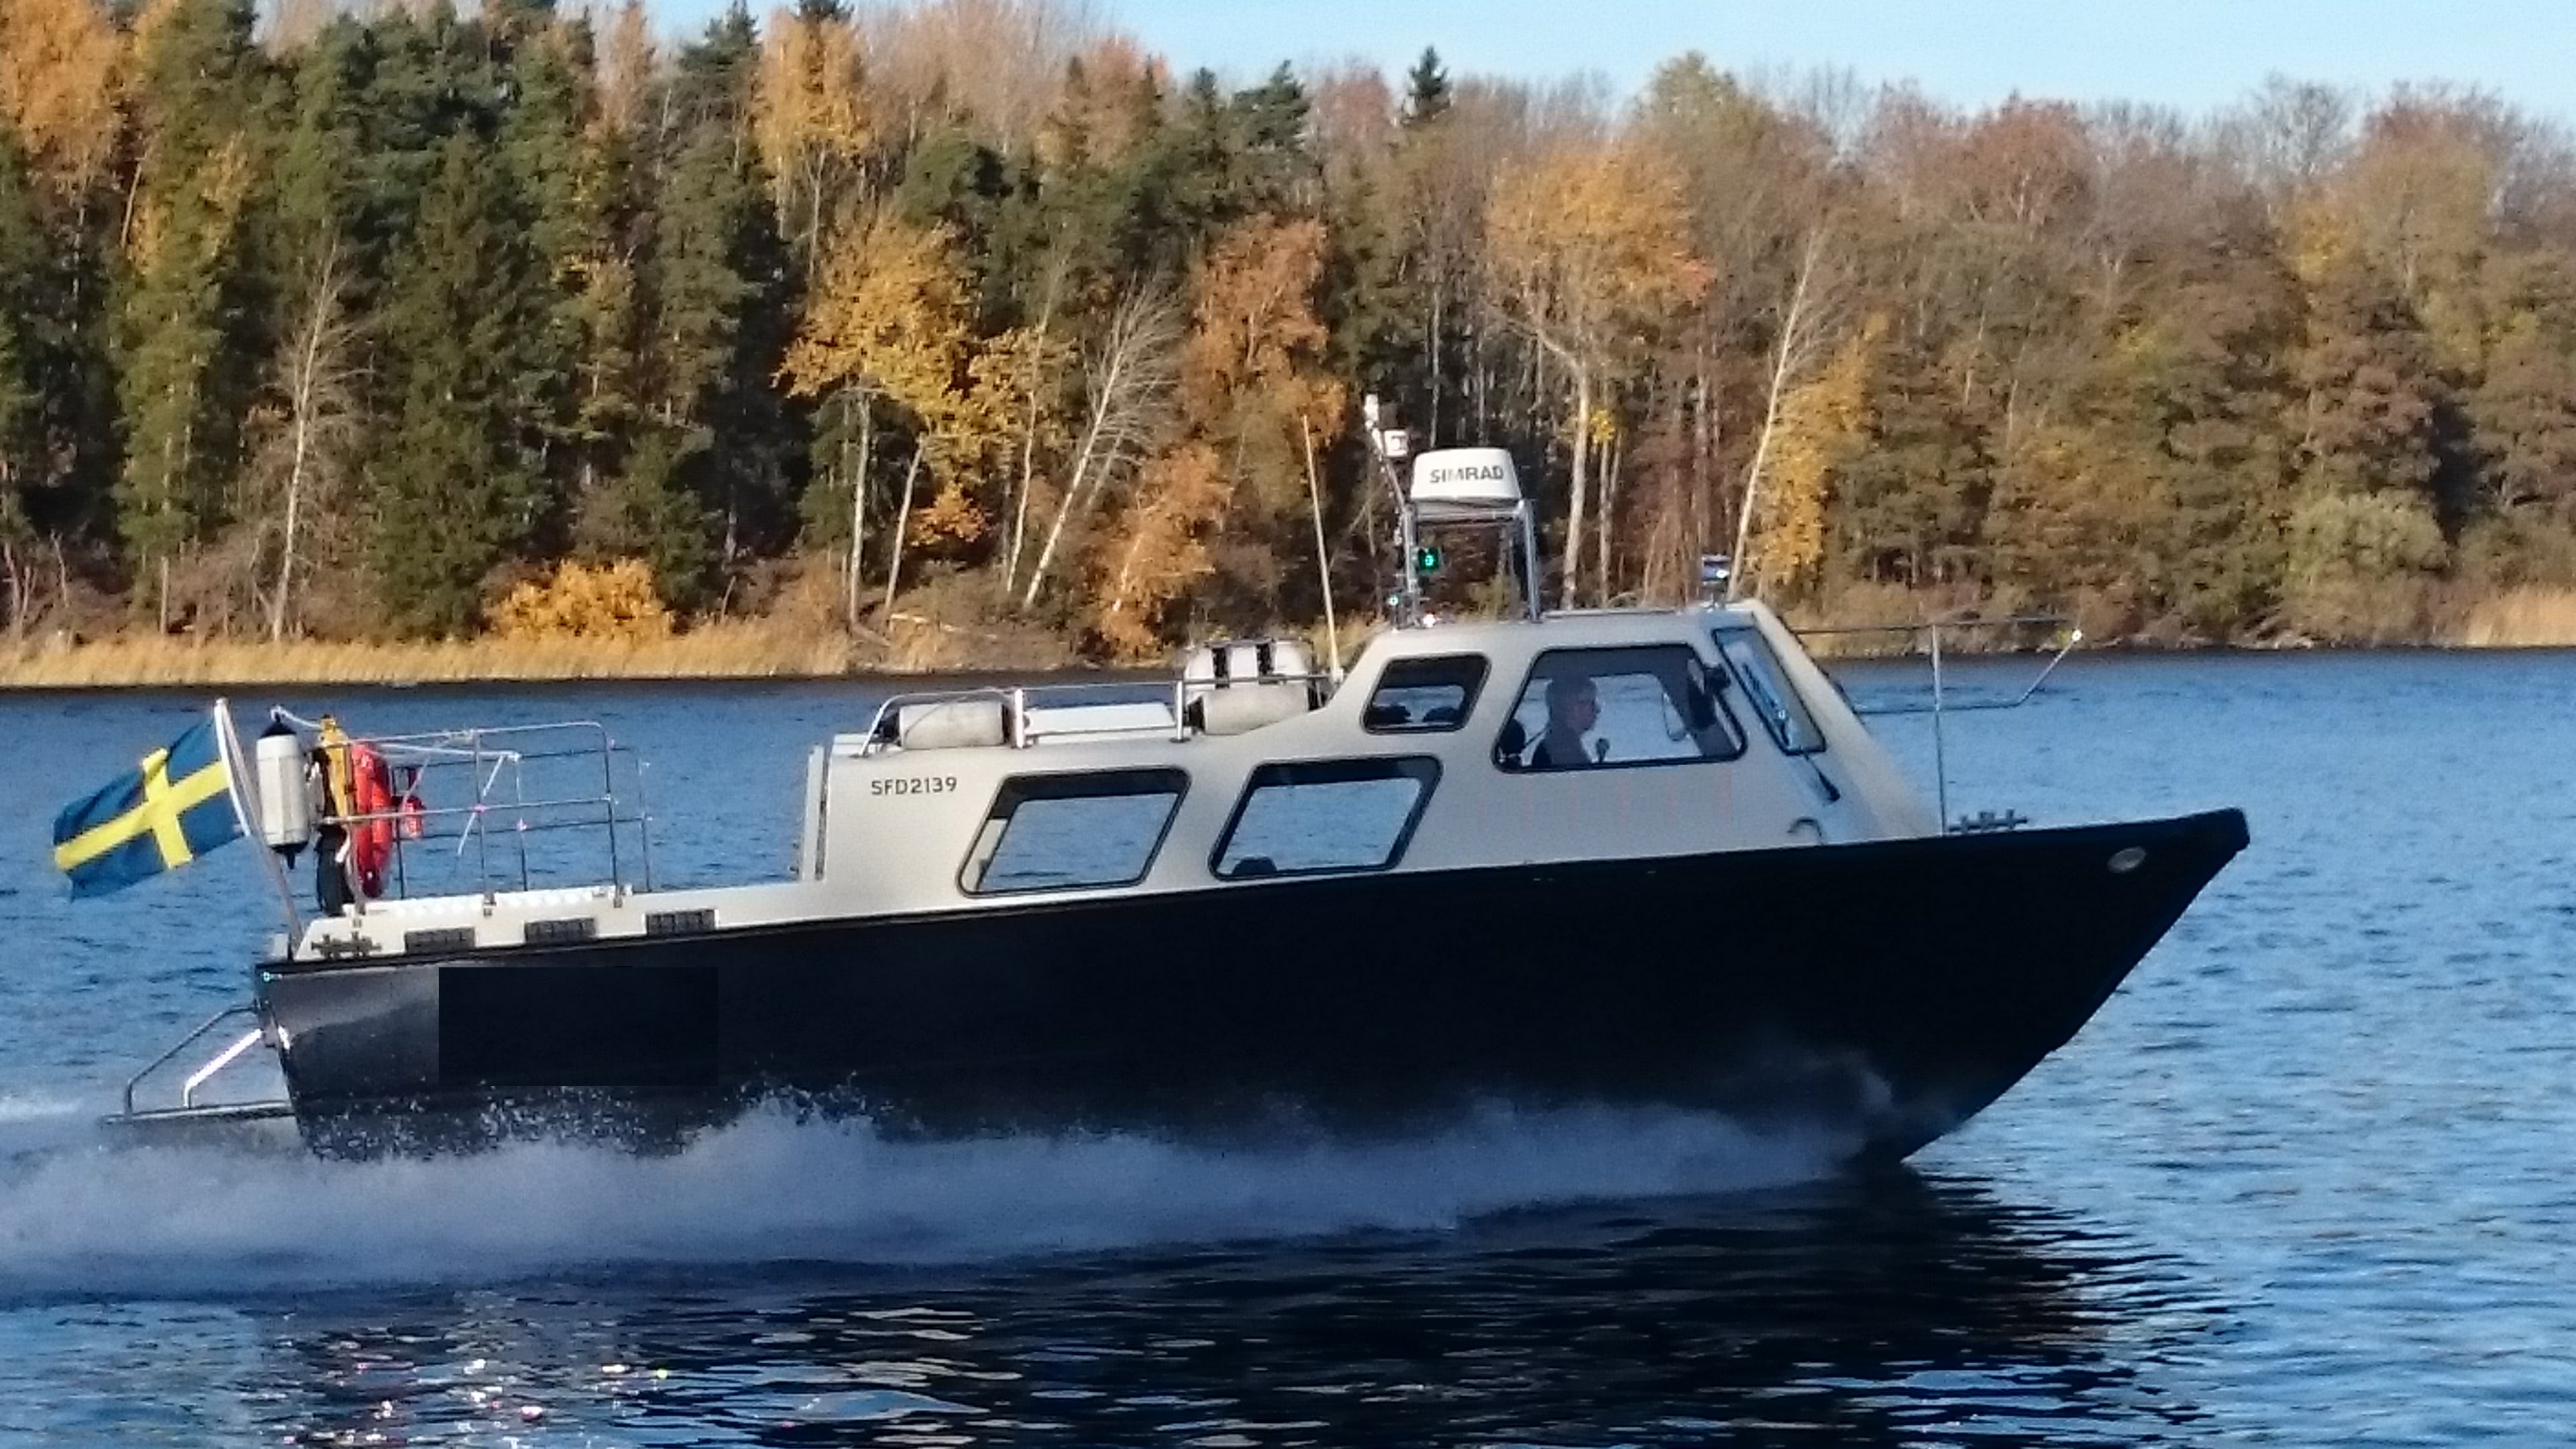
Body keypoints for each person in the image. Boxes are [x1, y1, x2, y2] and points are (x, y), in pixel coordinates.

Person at [1529, 674, 1600, 768]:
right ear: (1563, 708)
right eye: (1585, 703)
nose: (1597, 709)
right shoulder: (1564, 754)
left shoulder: (1558, 746)